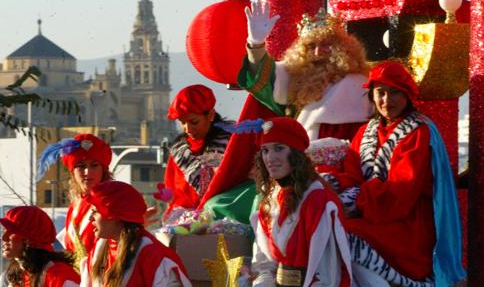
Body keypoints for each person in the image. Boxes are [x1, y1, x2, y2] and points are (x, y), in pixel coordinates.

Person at [325, 61, 465, 287]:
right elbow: (351, 175)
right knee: (326, 228)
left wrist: (354, 203)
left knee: (340, 233)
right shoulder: (365, 131)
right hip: (374, 216)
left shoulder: (418, 132)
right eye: (380, 93)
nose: (386, 101)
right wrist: (326, 186)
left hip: (408, 227)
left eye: (395, 93)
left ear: (407, 95)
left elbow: (400, 195)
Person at [238, 1, 371, 141]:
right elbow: (265, 76)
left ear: (342, 47)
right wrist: (256, 44)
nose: (318, 52)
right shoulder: (295, 76)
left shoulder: (355, 83)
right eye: (311, 46)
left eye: (326, 44)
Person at [250, 117, 352, 287]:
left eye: (279, 148)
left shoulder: (318, 198)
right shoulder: (269, 200)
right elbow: (264, 262)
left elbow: (327, 272)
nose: (270, 158)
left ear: (296, 153)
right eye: (265, 150)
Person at [80, 181, 192, 287]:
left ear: (115, 216)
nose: (90, 218)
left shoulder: (153, 256)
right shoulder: (98, 252)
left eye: (95, 211)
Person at [38, 134, 115, 268]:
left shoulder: (113, 202)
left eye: (94, 165)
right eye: (81, 166)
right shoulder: (75, 206)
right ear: (72, 171)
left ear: (104, 170)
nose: (87, 172)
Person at [163, 84, 233, 212]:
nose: (187, 129)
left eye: (194, 122)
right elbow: (172, 194)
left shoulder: (232, 143)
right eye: (182, 122)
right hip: (184, 224)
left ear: (210, 115)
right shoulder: (179, 151)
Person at [0, 206, 80, 287]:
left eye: (11, 231)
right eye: (4, 230)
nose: (3, 237)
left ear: (31, 239)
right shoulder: (18, 273)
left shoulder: (59, 275)